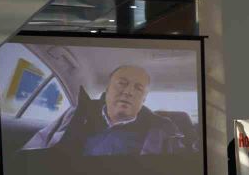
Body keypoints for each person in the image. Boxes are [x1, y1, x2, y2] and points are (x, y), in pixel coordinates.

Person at [23, 65, 188, 155]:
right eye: (122, 83)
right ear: (107, 89)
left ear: (143, 99)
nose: (129, 92)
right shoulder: (76, 114)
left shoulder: (162, 129)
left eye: (138, 88)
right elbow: (31, 153)